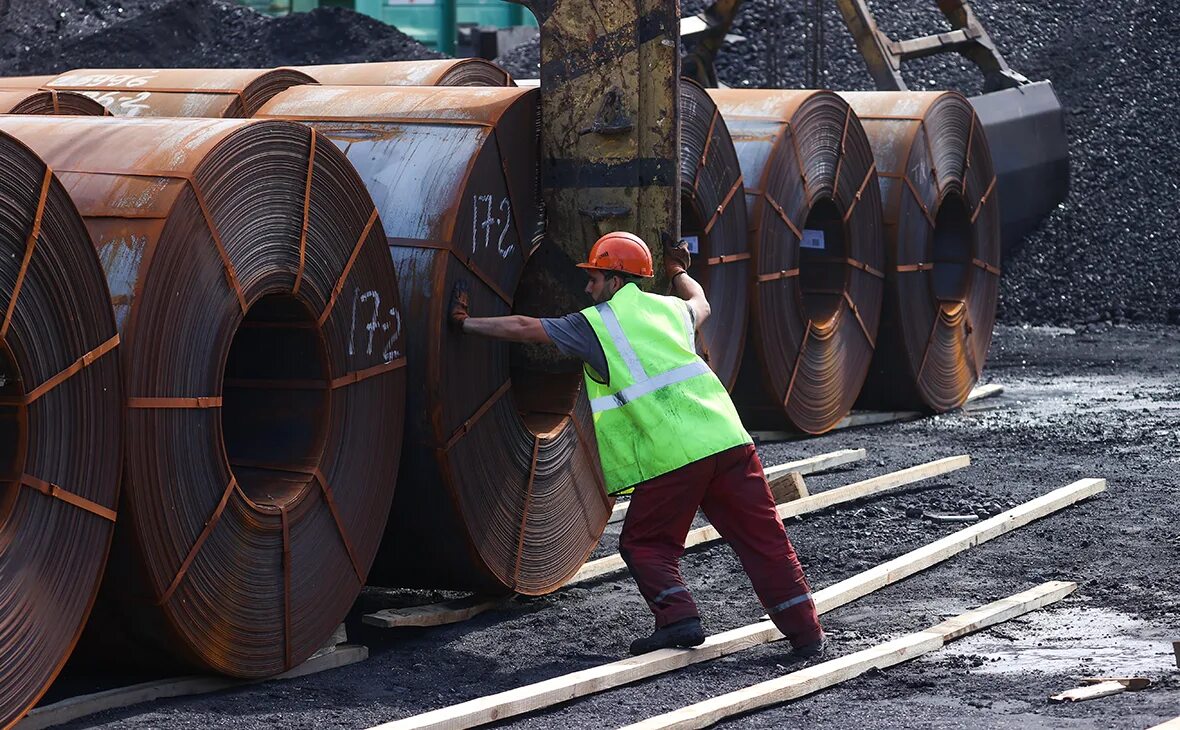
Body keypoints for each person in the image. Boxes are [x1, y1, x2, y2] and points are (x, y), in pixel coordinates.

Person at [449, 231, 826, 657]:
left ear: (615, 279)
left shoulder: (596, 324)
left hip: (674, 454)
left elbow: (524, 327)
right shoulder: (670, 310)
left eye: (594, 278)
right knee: (765, 540)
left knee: (645, 544)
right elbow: (702, 301)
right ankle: (807, 635)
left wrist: (465, 324)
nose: (587, 287)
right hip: (729, 439)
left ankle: (679, 618)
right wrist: (678, 270)